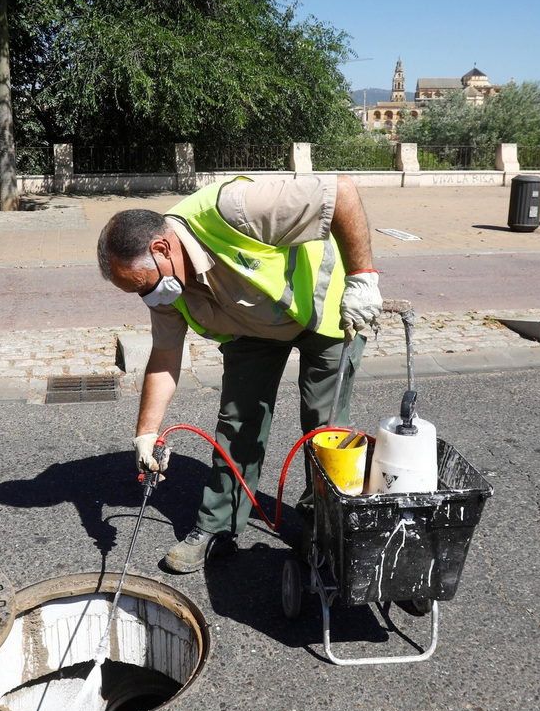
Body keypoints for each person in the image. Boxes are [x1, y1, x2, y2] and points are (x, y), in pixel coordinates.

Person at [95, 175, 382, 573]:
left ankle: (324, 527)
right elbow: (163, 356)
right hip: (252, 326)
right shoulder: (164, 287)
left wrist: (363, 278)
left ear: (161, 248)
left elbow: (343, 193)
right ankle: (218, 526)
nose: (148, 297)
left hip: (327, 312)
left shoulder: (233, 209)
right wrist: (146, 432)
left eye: (143, 285)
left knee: (325, 427)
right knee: (237, 423)